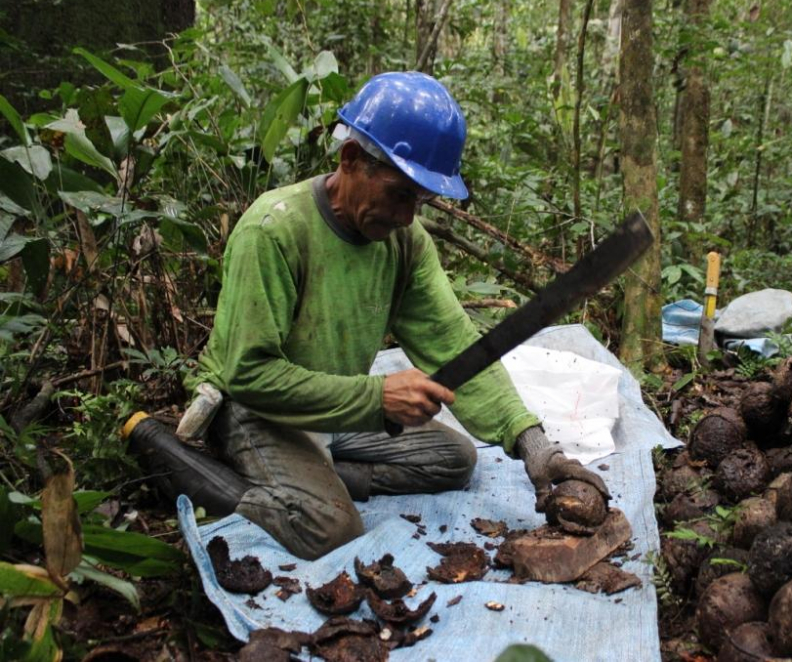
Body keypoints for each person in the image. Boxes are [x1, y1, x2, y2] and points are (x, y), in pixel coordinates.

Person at [183, 72, 608, 560]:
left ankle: (322, 474)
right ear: (350, 161)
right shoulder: (274, 230)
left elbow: (454, 344)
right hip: (256, 411)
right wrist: (378, 397)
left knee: (456, 459)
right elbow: (250, 376)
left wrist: (535, 446)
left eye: (421, 200)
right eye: (399, 194)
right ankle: (235, 481)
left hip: (335, 407)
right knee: (331, 529)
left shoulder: (403, 243)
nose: (408, 217)